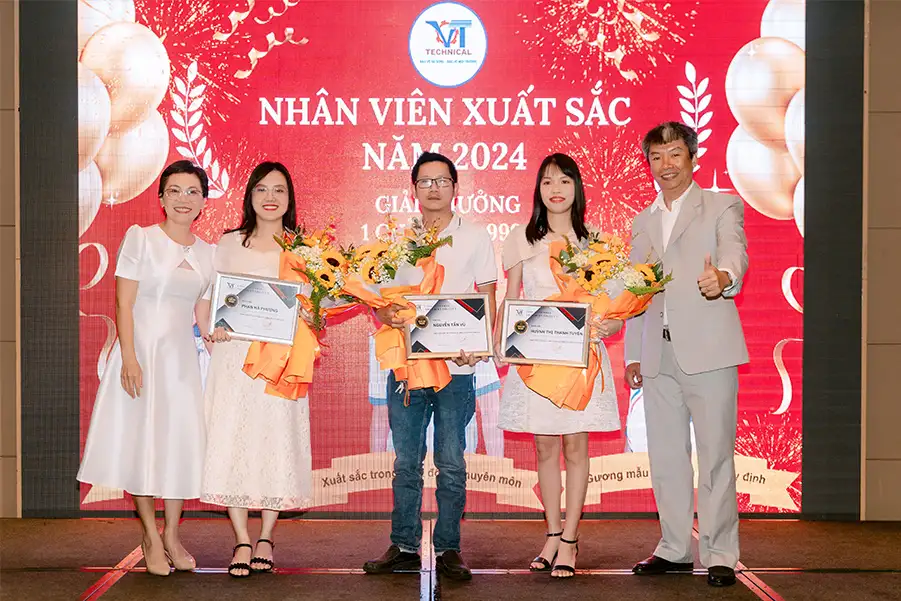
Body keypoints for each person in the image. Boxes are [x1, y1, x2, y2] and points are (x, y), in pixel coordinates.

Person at [363, 152, 497, 581]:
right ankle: (403, 545)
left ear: (455, 187)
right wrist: (383, 313)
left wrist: (481, 345)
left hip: (456, 369)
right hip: (408, 366)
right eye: (425, 181)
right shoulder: (398, 241)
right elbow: (381, 299)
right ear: (414, 189)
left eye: (442, 181)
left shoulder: (474, 236)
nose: (434, 188)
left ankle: (448, 548)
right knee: (406, 462)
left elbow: (487, 296)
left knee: (452, 462)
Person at [624, 122, 748, 587]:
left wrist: (724, 278)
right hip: (657, 356)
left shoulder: (721, 205)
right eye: (657, 157)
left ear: (692, 157)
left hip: (710, 352)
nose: (666, 165)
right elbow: (636, 290)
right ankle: (674, 548)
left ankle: (720, 554)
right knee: (667, 458)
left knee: (715, 457)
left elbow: (735, 253)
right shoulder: (643, 220)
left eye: (675, 154)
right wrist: (632, 354)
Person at [77, 160, 215, 576]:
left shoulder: (208, 253)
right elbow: (124, 303)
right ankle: (150, 535)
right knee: (141, 444)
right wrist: (130, 358)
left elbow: (204, 316)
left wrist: (223, 340)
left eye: (192, 192)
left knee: (177, 445)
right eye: (174, 191)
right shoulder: (141, 238)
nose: (183, 199)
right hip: (140, 356)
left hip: (181, 363)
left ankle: (172, 534)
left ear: (204, 201)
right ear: (161, 198)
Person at [496, 153, 622, 578]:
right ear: (538, 189)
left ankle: (570, 538)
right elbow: (512, 297)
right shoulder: (521, 238)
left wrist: (611, 323)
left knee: (575, 447)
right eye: (548, 181)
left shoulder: (596, 242)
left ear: (577, 188)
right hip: (536, 361)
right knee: (545, 447)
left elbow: (614, 303)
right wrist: (502, 342)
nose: (556, 189)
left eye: (565, 181)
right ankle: (551, 534)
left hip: (579, 361)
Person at [199, 162, 314, 578]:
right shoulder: (229, 243)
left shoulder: (303, 249)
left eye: (279, 190)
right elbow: (208, 297)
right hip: (235, 360)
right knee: (234, 441)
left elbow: (315, 305)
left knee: (275, 442)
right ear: (249, 196)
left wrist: (310, 315)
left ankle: (265, 535)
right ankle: (241, 539)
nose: (270, 197)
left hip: (282, 361)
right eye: (262, 189)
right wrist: (211, 331)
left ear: (289, 198)